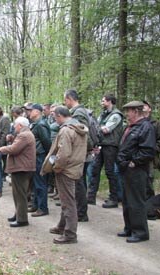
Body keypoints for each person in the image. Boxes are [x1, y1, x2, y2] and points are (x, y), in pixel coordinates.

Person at [41, 106, 88, 244]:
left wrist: (56, 167)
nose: (54, 120)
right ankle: (62, 226)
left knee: (68, 202)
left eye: (55, 117)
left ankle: (70, 234)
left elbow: (63, 154)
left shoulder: (66, 130)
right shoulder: (79, 128)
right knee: (66, 199)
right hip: (75, 168)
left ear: (60, 115)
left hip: (66, 170)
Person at [116, 101, 156, 243]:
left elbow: (148, 150)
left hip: (137, 170)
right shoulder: (131, 127)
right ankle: (129, 228)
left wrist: (134, 162)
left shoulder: (146, 127)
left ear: (136, 112)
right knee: (127, 200)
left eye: (129, 111)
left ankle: (140, 232)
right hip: (126, 169)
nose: (127, 114)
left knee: (136, 201)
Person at [0, 117, 36, 227]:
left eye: (15, 125)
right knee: (18, 193)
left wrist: (2, 148)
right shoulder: (26, 134)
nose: (14, 127)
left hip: (22, 168)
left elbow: (14, 149)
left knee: (20, 194)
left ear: (20, 125)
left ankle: (22, 220)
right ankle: (18, 215)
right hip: (22, 167)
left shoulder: (24, 135)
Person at [88, 94, 124, 208]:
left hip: (111, 146)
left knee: (110, 171)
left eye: (103, 101)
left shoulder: (116, 115)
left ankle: (114, 198)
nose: (101, 103)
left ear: (110, 102)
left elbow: (106, 129)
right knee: (95, 169)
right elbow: (97, 127)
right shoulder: (103, 114)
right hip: (101, 145)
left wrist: (96, 127)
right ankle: (91, 196)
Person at [64, 89, 91, 222]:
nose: (65, 103)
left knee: (78, 181)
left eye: (65, 100)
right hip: (80, 151)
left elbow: (83, 132)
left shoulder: (78, 113)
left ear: (69, 98)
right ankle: (80, 210)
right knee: (78, 181)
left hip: (80, 152)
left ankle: (81, 213)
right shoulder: (77, 112)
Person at [28, 103, 51, 216]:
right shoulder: (35, 124)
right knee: (35, 183)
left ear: (37, 112)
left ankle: (43, 208)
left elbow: (47, 142)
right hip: (35, 156)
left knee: (40, 183)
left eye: (31, 110)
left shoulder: (41, 125)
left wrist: (47, 156)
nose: (29, 112)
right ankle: (36, 205)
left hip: (40, 156)